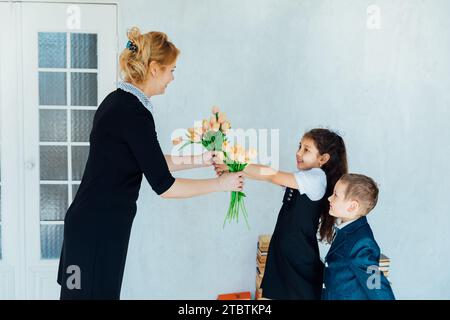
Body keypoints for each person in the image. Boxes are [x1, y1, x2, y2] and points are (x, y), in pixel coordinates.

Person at [57, 27, 244, 299]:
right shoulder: (133, 112)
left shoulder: (119, 103)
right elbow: (164, 186)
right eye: (171, 69)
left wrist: (202, 159)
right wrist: (220, 184)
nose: (172, 78)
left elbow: (150, 162)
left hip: (92, 226)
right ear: (154, 68)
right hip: (96, 232)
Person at [214, 128, 348, 299]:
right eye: (299, 146)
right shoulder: (305, 177)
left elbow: (272, 175)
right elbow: (268, 176)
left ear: (323, 158)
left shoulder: (316, 178)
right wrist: (233, 168)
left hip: (297, 253)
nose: (298, 153)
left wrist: (236, 163)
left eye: (306, 150)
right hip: (287, 250)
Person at [323, 173, 395, 300]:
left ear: (352, 206)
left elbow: (376, 285)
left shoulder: (362, 243)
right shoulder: (347, 229)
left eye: (335, 195)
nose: (329, 198)